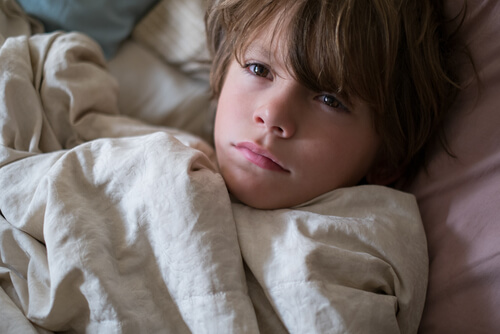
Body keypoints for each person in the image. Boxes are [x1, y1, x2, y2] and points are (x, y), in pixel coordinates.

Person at [204, 0, 461, 209]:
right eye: (259, 69)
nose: (272, 115)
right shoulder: (171, 153)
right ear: (223, 71)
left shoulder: (359, 251)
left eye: (330, 100)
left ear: (387, 161)